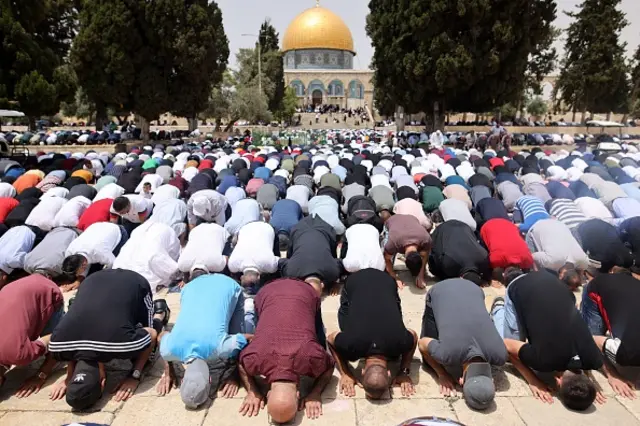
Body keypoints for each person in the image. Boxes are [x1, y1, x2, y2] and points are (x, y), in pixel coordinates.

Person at [48, 269, 169, 409]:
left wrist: (134, 375)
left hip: (134, 282)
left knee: (147, 347)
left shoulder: (124, 345)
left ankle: (159, 313)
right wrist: (69, 377)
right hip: (93, 278)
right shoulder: (56, 346)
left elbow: (152, 333)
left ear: (103, 382)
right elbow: (71, 350)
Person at [491, 270, 604, 410]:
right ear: (558, 381)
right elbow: (507, 345)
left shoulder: (594, 359)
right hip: (520, 285)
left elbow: (588, 357)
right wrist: (533, 380)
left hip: (554, 282)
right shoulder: (543, 360)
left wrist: (595, 384)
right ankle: (499, 308)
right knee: (508, 347)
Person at [238, 278, 334, 422]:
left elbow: (330, 364)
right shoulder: (257, 357)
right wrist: (315, 392)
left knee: (318, 339)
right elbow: (241, 362)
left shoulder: (311, 356)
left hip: (300, 292)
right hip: (271, 291)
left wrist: (253, 391)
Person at [156, 273, 254, 408]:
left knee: (239, 333)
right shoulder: (170, 350)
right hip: (190, 287)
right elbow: (162, 336)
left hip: (228, 284)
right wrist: (168, 373)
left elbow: (249, 338)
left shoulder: (220, 348)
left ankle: (249, 307)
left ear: (210, 379)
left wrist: (235, 376)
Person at [328, 269, 418, 399]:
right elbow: (330, 339)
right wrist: (345, 373)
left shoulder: (400, 342)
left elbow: (413, 336)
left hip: (384, 280)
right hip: (362, 281)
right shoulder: (351, 346)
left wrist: (345, 372)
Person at [418, 279, 507, 409]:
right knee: (429, 361)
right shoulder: (446, 354)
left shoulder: (500, 355)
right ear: (461, 381)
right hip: (440, 290)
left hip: (474, 288)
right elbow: (422, 343)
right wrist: (442, 374)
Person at [581, 269, 640, 399]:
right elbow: (589, 338)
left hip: (630, 286)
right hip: (598, 287)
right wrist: (613, 375)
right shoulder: (624, 353)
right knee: (591, 334)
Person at [0, 274, 64, 392]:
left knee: (59, 348)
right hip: (11, 288)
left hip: (46, 289)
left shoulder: (18, 355)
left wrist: (41, 375)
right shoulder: (13, 353)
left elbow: (57, 336)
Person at [112, 221, 180, 293]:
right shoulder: (155, 252)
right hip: (143, 285)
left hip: (119, 279)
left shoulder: (140, 238)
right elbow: (173, 270)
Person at [279, 215, 341, 293]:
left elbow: (339, 263)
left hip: (324, 229)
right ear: (322, 285)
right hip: (301, 229)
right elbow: (284, 262)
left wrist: (334, 283)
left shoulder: (333, 272)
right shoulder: (291, 271)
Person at [63, 222, 128, 288]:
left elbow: (114, 265)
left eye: (77, 274)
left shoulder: (100, 253)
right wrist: (78, 280)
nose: (76, 276)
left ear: (84, 265)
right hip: (96, 227)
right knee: (92, 274)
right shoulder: (69, 252)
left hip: (117, 232)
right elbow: (84, 261)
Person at [429, 220, 490, 284]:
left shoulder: (483, 259)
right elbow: (435, 257)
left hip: (464, 227)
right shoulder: (449, 264)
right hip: (443, 229)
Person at [383, 214, 431, 289]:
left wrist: (421, 274)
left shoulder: (426, 239)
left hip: (412, 218)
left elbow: (425, 254)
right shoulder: (393, 243)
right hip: (392, 220)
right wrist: (395, 278)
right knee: (385, 265)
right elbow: (386, 259)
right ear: (404, 259)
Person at [228, 221, 280, 288]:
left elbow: (279, 261)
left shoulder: (269, 264)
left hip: (265, 228)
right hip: (246, 227)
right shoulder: (232, 265)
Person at [0, 225, 36, 289]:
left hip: (33, 230)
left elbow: (31, 261)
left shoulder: (13, 261)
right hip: (14, 228)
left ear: (4, 277)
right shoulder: (10, 261)